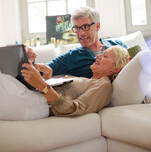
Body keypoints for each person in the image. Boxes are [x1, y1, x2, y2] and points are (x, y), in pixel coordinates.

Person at [0, 45, 129, 120]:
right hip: (32, 96)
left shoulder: (104, 85)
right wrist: (31, 65)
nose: (97, 56)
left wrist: (42, 85)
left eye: (105, 56)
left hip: (38, 104)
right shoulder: (88, 81)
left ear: (116, 68)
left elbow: (74, 109)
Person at [27, 6, 128, 79]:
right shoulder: (71, 57)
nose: (81, 33)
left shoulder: (118, 44)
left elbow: (138, 62)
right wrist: (31, 62)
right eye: (76, 28)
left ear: (97, 26)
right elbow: (41, 72)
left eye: (85, 27)